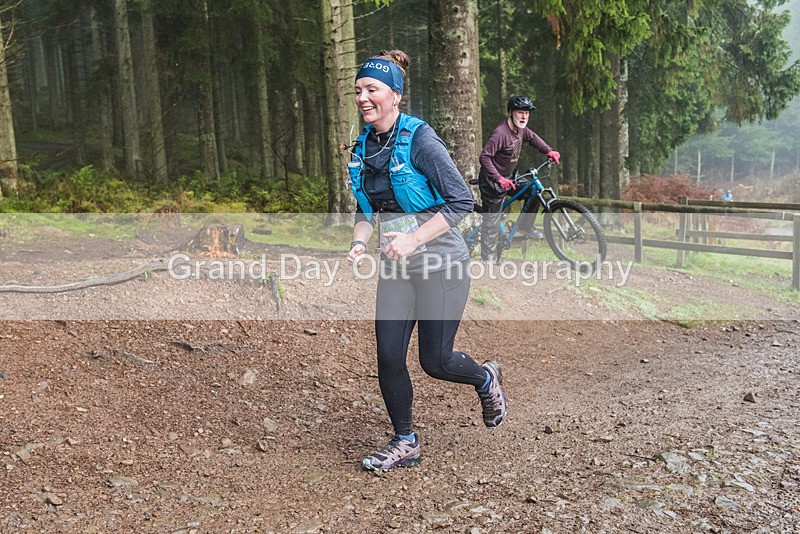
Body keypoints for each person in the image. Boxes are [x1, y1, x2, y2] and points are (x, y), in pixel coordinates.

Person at [345, 50, 508, 472]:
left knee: (435, 362)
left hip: (442, 264)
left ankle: (485, 378)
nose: (363, 97)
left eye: (372, 89)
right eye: (359, 90)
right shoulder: (362, 147)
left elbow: (461, 201)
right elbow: (367, 213)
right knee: (388, 356)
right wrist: (360, 243)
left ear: (395, 95)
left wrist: (414, 238)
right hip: (397, 267)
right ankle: (405, 441)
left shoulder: (420, 139)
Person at [478, 95, 561, 262]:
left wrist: (549, 151)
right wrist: (498, 178)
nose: (524, 117)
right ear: (511, 112)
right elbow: (484, 157)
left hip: (510, 177)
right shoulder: (500, 133)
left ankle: (525, 227)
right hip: (492, 182)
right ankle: (488, 262)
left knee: (534, 190)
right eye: (520, 113)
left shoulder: (522, 130)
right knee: (491, 224)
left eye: (527, 113)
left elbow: (533, 138)